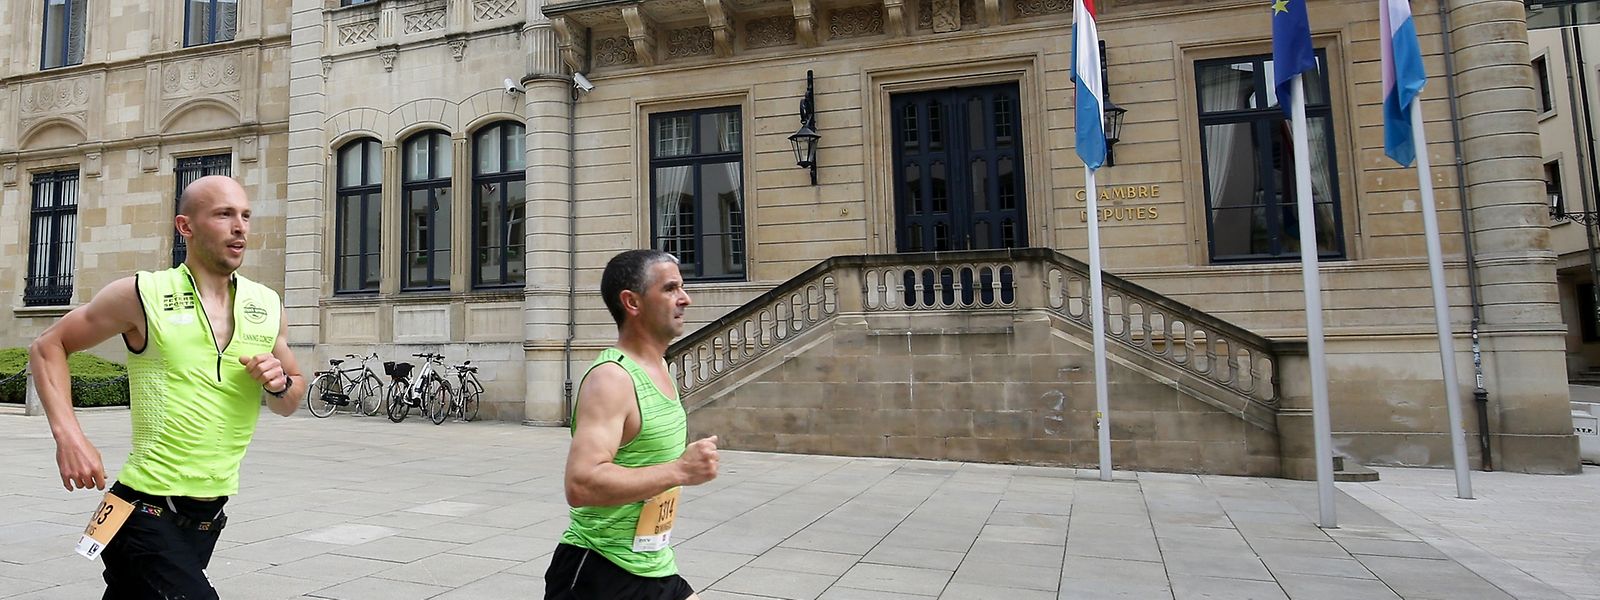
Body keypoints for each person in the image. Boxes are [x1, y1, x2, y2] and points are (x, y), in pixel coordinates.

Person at [29, 175, 306, 599]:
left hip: (207, 517)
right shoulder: (144, 294)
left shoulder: (267, 305)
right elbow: (49, 345)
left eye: (245, 215)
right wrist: (70, 438)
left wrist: (279, 382)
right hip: (143, 509)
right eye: (224, 214)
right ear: (186, 226)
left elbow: (290, 400)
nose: (240, 227)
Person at [546, 249, 720, 600]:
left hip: (652, 564)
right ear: (633, 302)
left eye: (681, 287)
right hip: (599, 572)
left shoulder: (660, 369)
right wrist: (680, 470)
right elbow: (582, 484)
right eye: (670, 288)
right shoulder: (612, 379)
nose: (685, 299)